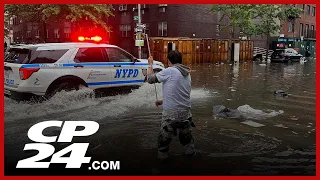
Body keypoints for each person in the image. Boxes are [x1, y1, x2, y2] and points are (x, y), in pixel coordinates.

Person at [146, 50, 196, 160]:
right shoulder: (187, 73)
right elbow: (181, 93)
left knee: (163, 144)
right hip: (186, 114)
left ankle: (163, 168)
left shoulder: (170, 71)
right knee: (187, 142)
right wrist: (163, 101)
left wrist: (150, 63)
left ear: (168, 61)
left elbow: (149, 79)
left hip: (170, 115)